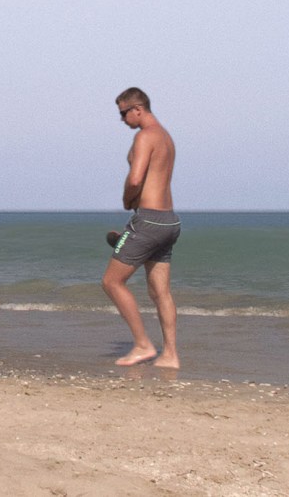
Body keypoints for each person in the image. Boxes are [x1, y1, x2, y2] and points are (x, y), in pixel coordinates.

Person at [101, 87, 181, 368]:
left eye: (124, 113)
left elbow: (136, 180)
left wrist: (127, 200)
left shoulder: (145, 136)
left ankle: (143, 345)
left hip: (148, 221)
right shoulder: (166, 137)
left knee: (111, 282)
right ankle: (170, 355)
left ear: (138, 109)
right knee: (160, 292)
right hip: (169, 221)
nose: (122, 119)